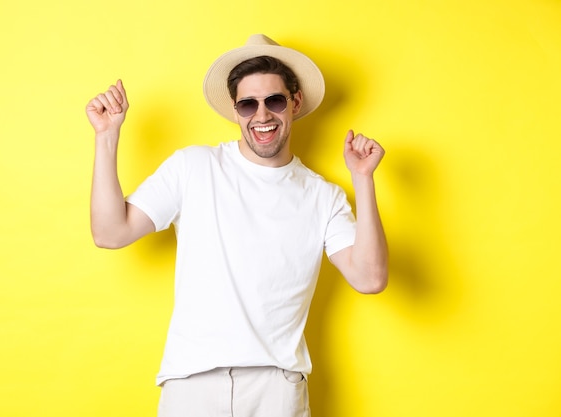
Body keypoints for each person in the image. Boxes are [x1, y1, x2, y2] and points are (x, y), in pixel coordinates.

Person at [85, 34, 388, 417]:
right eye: (248, 104)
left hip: (276, 389)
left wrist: (363, 178)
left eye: (274, 101)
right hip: (191, 385)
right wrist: (107, 135)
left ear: (294, 102)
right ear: (235, 111)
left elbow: (370, 278)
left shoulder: (322, 196)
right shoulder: (193, 167)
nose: (262, 116)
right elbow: (110, 233)